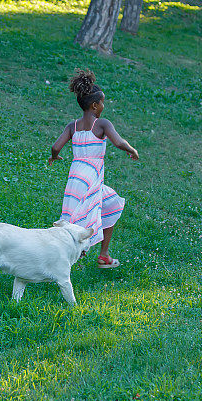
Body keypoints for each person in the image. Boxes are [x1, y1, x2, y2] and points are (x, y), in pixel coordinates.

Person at [48, 69, 139, 268]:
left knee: (110, 204)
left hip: (75, 177)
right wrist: (131, 149)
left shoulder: (72, 126)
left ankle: (103, 255)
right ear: (95, 105)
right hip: (91, 177)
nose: (104, 106)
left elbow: (56, 146)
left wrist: (55, 157)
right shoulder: (102, 124)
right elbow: (118, 142)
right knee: (80, 216)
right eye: (103, 103)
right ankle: (68, 255)